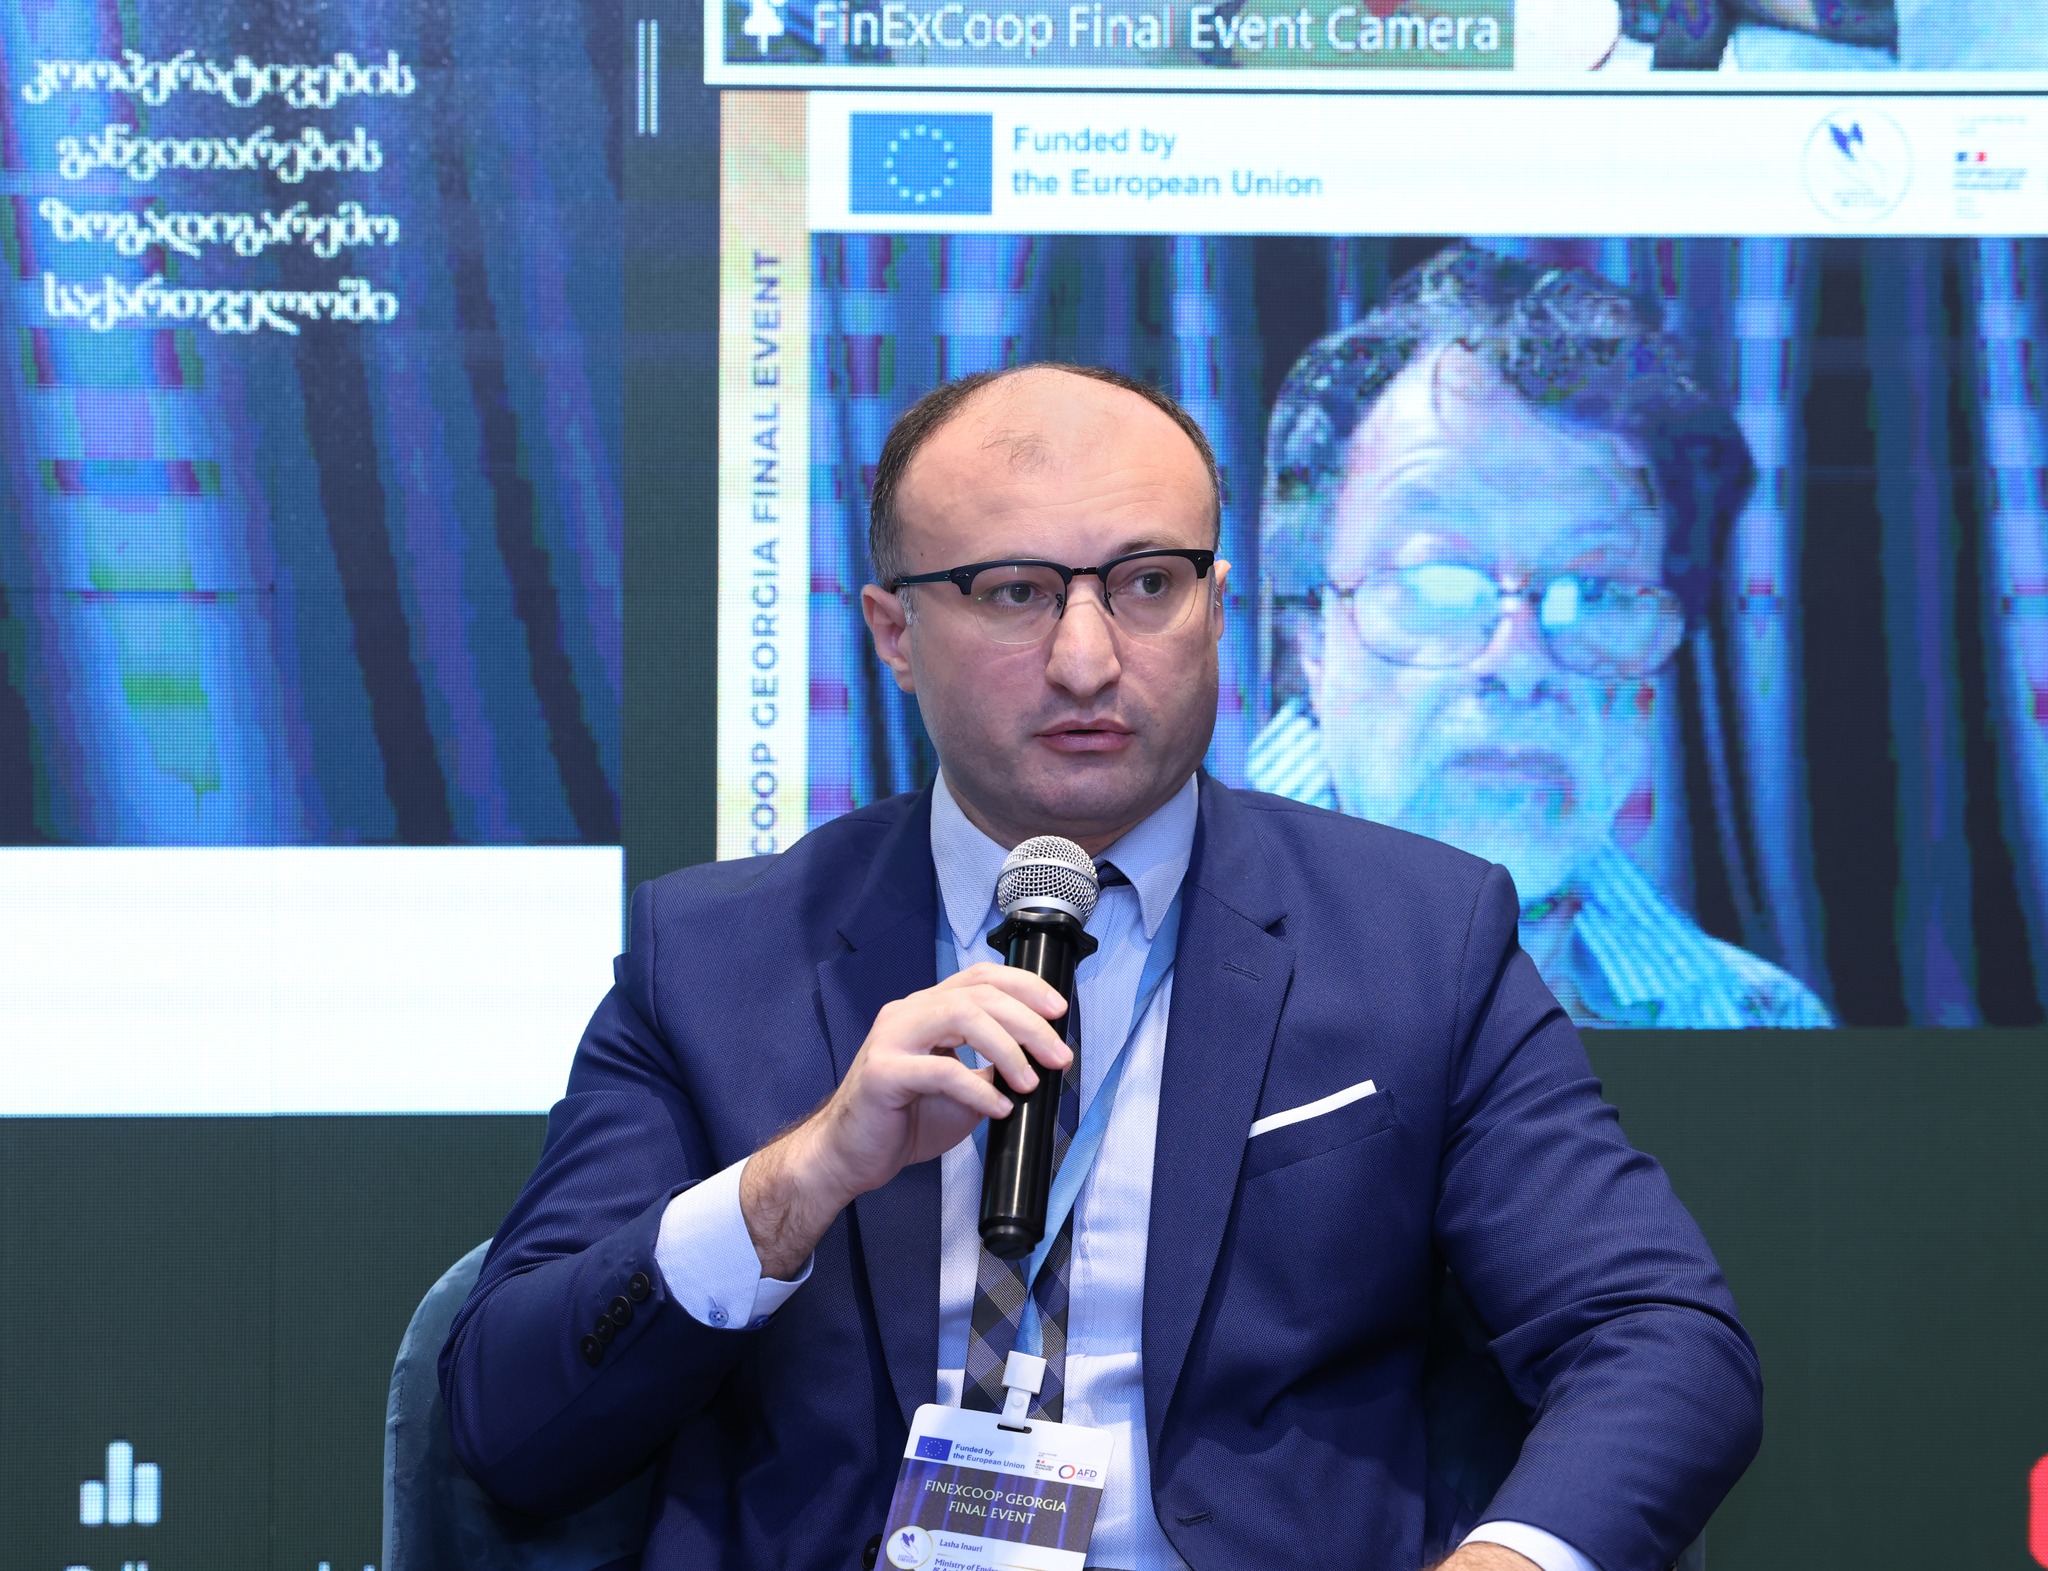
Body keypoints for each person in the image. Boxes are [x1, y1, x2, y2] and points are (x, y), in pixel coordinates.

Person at [441, 363, 1763, 1571]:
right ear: (893, 632)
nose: (1087, 659)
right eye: (1015, 592)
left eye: (1146, 584)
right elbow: (508, 1420)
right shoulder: (716, 958)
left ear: (1219, 606)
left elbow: (1660, 1340)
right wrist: (802, 1175)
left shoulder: (1421, 937)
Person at [1251, 246, 1834, 1029]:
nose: (1521, 663)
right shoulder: (1112, 978)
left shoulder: (1763, 1025)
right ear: (1308, 631)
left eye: (1596, 591)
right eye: (1437, 579)